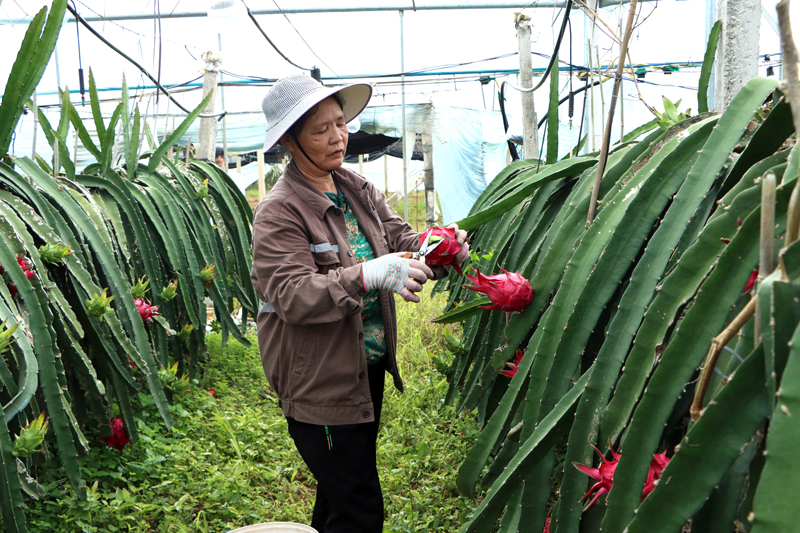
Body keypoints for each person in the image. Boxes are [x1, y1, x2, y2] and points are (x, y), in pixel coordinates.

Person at [251, 74, 468, 533]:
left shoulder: (355, 188)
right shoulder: (279, 212)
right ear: (290, 141)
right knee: (359, 508)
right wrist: (368, 274)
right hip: (319, 382)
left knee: (339, 493)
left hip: (363, 368)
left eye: (340, 123)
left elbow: (399, 238)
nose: (338, 137)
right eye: (320, 130)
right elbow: (292, 295)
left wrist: (440, 245)